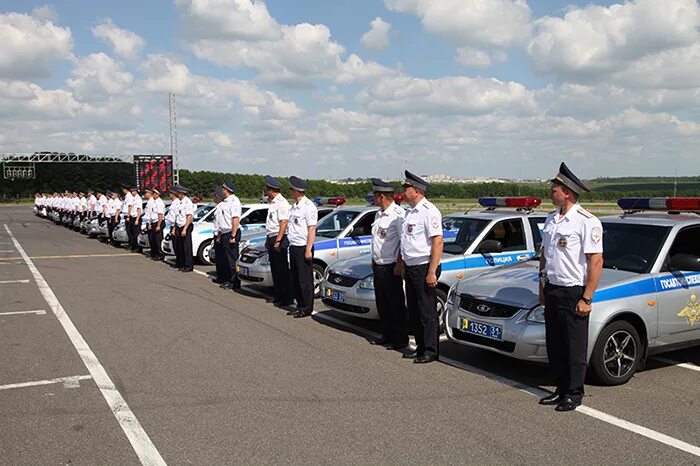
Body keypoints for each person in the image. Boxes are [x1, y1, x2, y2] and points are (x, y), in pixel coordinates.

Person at [538, 162, 604, 412]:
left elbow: (596, 260)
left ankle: (575, 392)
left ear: (567, 192)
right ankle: (561, 388)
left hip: (574, 290)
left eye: (554, 188)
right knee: (555, 344)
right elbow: (546, 254)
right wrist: (542, 283)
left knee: (575, 346)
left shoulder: (587, 221)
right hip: (554, 287)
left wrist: (587, 297)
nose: (551, 192)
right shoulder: (551, 219)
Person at [400, 170, 444, 364]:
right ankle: (420, 347)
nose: (404, 191)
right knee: (415, 311)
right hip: (411, 267)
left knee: (427, 312)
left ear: (416, 191)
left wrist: (432, 271)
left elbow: (437, 242)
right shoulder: (409, 212)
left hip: (424, 266)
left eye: (406, 187)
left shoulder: (429, 211)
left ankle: (430, 350)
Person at [369, 178, 408, 350]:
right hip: (378, 264)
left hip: (391, 265)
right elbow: (377, 240)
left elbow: (403, 241)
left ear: (382, 196)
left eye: (375, 196)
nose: (374, 199)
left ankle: (400, 338)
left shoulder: (398, 215)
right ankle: (386, 334)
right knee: (382, 303)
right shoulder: (378, 214)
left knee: (395, 303)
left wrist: (400, 263)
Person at [286, 176, 318, 318]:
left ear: (297, 191)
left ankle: (307, 307)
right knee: (295, 278)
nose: (290, 192)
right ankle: (299, 305)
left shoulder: (308, 206)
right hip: (294, 246)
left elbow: (311, 229)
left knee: (305, 280)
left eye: (292, 190)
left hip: (303, 246)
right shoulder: (294, 207)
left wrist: (308, 249)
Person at [263, 175, 292, 306]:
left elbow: (284, 223)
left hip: (279, 237)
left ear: (271, 190)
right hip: (272, 236)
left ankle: (286, 298)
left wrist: (278, 240)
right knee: (275, 269)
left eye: (267, 189)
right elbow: (271, 223)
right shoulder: (273, 203)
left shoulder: (282, 203)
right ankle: (278, 295)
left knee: (282, 270)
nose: (265, 192)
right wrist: (267, 238)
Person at [219, 179, 242, 290]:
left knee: (232, 259)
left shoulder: (234, 201)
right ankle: (229, 279)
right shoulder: (224, 201)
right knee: (226, 259)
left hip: (231, 232)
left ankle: (235, 282)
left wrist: (233, 235)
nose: (222, 190)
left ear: (227, 189)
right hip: (224, 233)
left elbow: (235, 219)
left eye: (223, 188)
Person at [174, 185, 195, 272]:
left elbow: (189, 217)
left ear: (182, 193)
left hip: (185, 226)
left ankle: (188, 265)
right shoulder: (179, 202)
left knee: (186, 247)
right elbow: (177, 216)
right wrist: (175, 228)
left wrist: (185, 229)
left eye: (178, 193)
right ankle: (182, 264)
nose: (177, 195)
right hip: (179, 225)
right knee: (180, 247)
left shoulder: (187, 202)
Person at [212, 186, 228, 283]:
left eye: (215, 196)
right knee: (219, 258)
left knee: (223, 258)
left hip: (220, 233)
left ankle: (224, 277)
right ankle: (220, 276)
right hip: (217, 233)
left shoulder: (222, 206)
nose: (213, 199)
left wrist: (218, 235)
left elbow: (221, 223)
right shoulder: (217, 207)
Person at [167, 186, 182, 268]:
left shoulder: (177, 203)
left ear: (173, 194)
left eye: (170, 193)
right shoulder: (173, 203)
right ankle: (178, 261)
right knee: (175, 246)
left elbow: (176, 217)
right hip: (172, 226)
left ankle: (179, 262)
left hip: (175, 226)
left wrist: (174, 228)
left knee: (177, 246)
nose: (169, 195)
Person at [150, 188, 166, 261]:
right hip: (154, 222)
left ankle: (160, 254)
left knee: (158, 239)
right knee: (154, 240)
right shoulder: (154, 202)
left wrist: (158, 225)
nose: (152, 195)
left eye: (153, 193)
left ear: (157, 194)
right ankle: (156, 254)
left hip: (158, 222)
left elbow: (160, 215)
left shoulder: (160, 202)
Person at [129, 187, 143, 252]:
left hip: (136, 217)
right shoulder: (132, 198)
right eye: (131, 191)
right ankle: (134, 246)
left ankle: (138, 248)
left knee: (136, 234)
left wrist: (137, 219)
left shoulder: (138, 199)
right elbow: (130, 207)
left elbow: (139, 210)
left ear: (136, 191)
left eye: (133, 191)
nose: (132, 193)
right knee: (132, 233)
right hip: (132, 217)